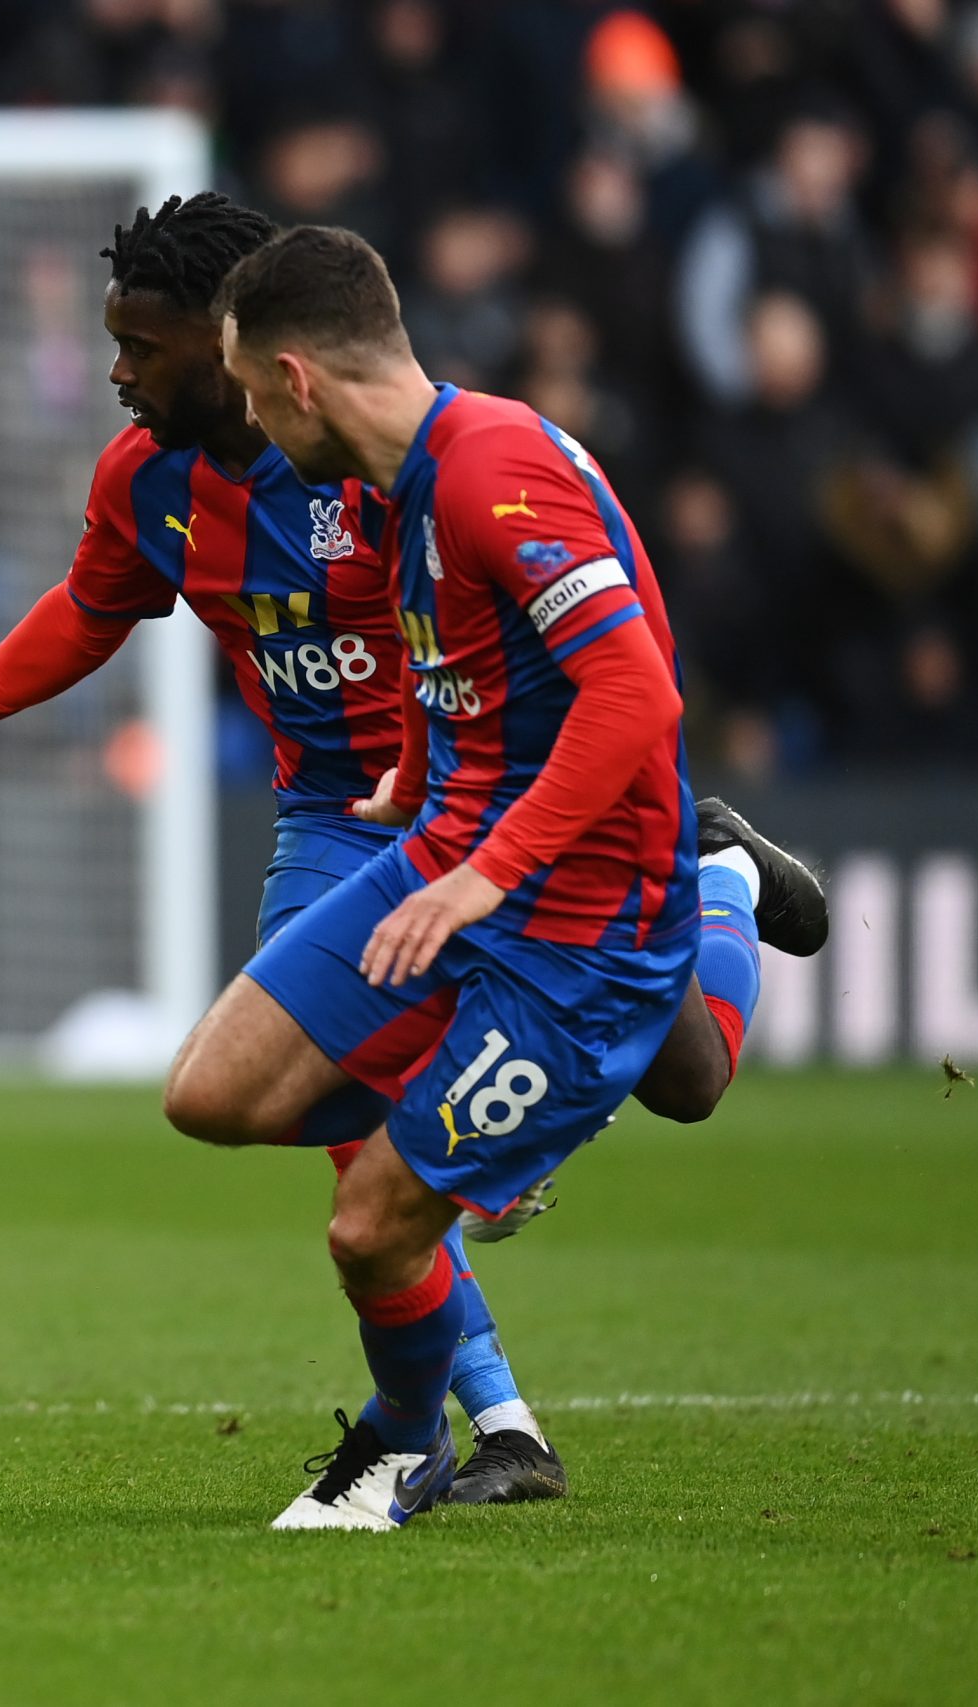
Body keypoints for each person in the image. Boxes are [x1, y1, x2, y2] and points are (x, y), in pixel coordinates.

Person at [0, 197, 822, 1507]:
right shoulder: (151, 482)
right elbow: (90, 610)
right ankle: (486, 1417)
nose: (119, 370)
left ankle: (717, 884)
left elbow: (586, 670)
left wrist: (475, 843)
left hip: (501, 811)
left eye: (141, 343)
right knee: (298, 1118)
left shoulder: (407, 459)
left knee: (685, 1080)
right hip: (343, 816)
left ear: (244, 350)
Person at [162, 224, 818, 1530]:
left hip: (576, 918)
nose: (239, 417)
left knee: (372, 1227)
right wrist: (416, 770)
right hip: (450, 847)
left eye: (244, 389)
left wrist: (488, 869)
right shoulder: (408, 476)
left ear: (296, 378)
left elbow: (634, 691)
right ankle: (696, 904)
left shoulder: (494, 471)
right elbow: (445, 650)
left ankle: (400, 1445)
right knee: (211, 1091)